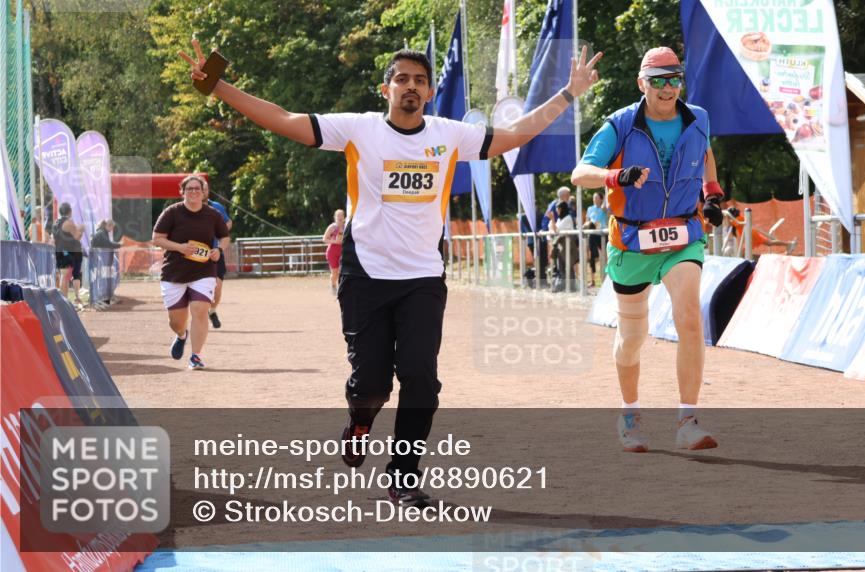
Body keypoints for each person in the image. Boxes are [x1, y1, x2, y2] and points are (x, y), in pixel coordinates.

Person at [180, 39, 601, 507]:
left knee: (421, 379)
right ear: (386, 89)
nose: (411, 87)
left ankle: (403, 476)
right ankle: (360, 419)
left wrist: (567, 94)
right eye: (402, 79)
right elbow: (283, 119)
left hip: (422, 278)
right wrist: (219, 87)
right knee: (372, 385)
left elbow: (515, 134)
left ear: (430, 93)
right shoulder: (358, 130)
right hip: (366, 276)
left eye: (420, 81)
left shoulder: (449, 134)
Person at [571, 46, 725, 453]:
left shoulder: (699, 118)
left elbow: (706, 155)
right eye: (658, 81)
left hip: (682, 235)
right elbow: (579, 173)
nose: (667, 88)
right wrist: (616, 175)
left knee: (691, 318)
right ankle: (629, 415)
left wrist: (712, 194)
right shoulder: (620, 124)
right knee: (632, 338)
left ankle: (687, 420)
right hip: (632, 242)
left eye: (674, 79)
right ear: (642, 84)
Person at [151, 175, 231, 370]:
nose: (194, 192)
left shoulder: (212, 214)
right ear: (182, 191)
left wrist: (218, 250)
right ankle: (181, 335)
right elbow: (157, 238)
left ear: (203, 192)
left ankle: (196, 356)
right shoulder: (172, 212)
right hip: (174, 273)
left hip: (204, 271)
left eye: (197, 188)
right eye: (190, 189)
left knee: (200, 311)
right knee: (176, 321)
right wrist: (179, 247)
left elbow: (225, 237)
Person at [202, 182, 233, 329]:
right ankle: (198, 314)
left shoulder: (217, 207)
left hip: (215, 252)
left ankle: (212, 311)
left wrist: (219, 231)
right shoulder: (184, 209)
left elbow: (228, 223)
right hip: (195, 255)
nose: (202, 192)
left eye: (205, 189)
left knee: (218, 287)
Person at [723, 207, 798, 255]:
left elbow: (729, 223)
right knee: (769, 243)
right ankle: (788, 244)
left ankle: (789, 244)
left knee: (743, 251)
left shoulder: (738, 219)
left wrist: (726, 216)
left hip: (751, 235)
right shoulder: (740, 217)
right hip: (751, 234)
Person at [52, 202, 85, 307]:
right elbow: (77, 237)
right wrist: (81, 230)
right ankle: (64, 301)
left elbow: (54, 239)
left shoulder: (55, 223)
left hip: (59, 251)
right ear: (70, 211)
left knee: (64, 275)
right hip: (67, 252)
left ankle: (64, 300)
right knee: (65, 276)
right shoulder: (68, 223)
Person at [585, 191, 608, 286]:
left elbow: (606, 210)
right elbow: (587, 221)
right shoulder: (590, 209)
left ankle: (606, 278)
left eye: (597, 198)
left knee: (606, 256)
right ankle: (593, 280)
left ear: (601, 199)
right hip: (592, 234)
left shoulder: (604, 208)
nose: (595, 200)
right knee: (592, 257)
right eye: (594, 198)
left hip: (602, 234)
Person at [323, 209, 346, 292]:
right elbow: (324, 239)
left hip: (343, 251)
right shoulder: (332, 227)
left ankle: (341, 291)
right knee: (335, 273)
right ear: (335, 217)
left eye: (341, 215)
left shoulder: (346, 226)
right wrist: (335, 241)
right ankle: (333, 285)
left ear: (344, 217)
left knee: (342, 271)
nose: (340, 217)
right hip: (332, 252)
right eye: (338, 215)